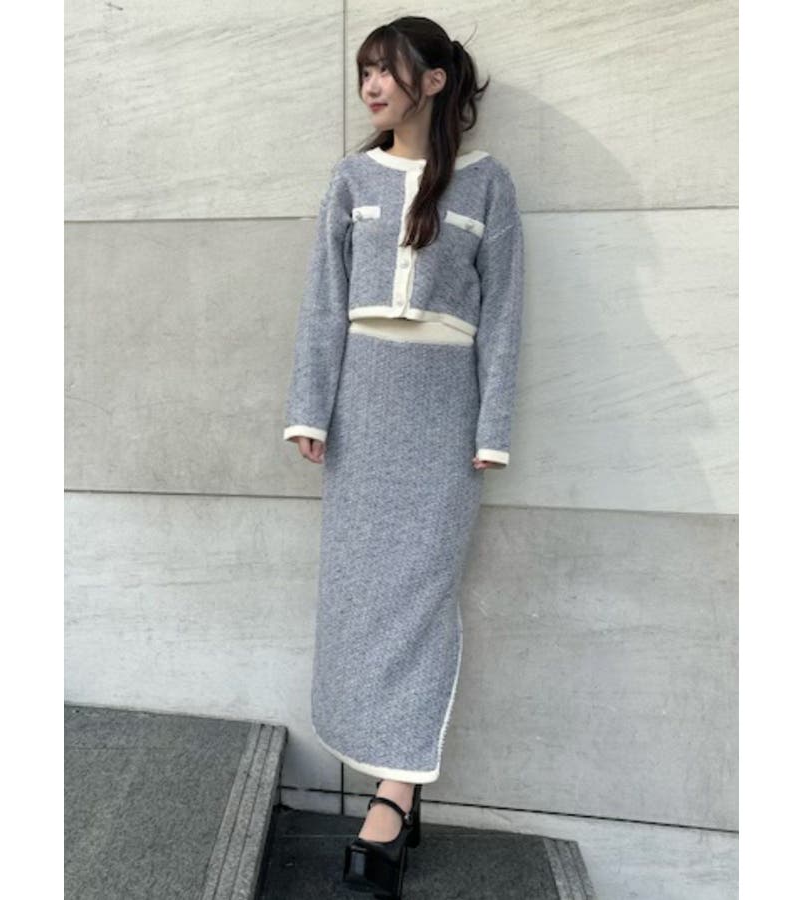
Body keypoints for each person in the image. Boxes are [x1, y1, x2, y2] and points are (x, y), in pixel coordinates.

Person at [282, 15, 524, 897]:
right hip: (362, 412)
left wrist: (491, 427)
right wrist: (310, 409)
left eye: (386, 70)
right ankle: (382, 769)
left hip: (444, 419)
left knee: (421, 602)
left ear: (432, 80)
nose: (371, 87)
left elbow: (504, 314)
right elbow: (323, 302)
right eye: (364, 72)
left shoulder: (488, 185)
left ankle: (394, 793)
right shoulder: (350, 181)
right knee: (356, 600)